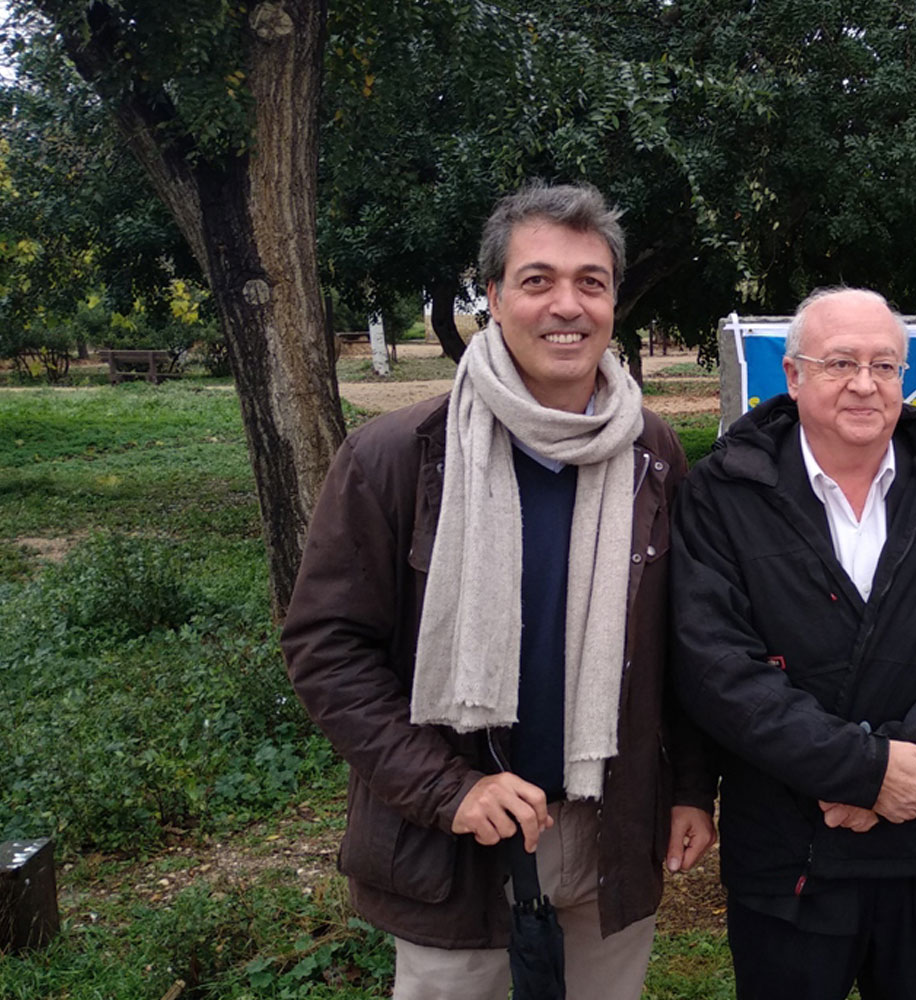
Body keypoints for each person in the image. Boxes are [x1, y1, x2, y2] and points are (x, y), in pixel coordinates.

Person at [281, 181, 716, 1000]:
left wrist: (691, 788)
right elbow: (326, 648)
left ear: (615, 301)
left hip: (606, 823)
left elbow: (682, 638)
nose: (568, 305)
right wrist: (450, 789)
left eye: (592, 282)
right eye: (538, 279)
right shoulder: (398, 456)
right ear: (491, 298)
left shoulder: (652, 451)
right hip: (458, 839)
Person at [669, 287, 916, 1000]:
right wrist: (862, 771)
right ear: (793, 375)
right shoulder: (725, 492)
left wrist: (901, 772)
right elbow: (716, 665)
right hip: (790, 847)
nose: (866, 384)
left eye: (886, 365)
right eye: (840, 362)